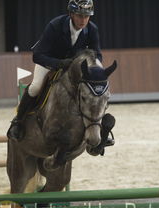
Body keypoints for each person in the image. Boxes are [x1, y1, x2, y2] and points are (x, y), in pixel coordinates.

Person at [7, 0, 109, 145]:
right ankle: (18, 121)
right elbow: (37, 56)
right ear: (71, 14)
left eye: (87, 16)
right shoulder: (55, 25)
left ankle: (101, 130)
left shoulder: (92, 29)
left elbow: (97, 54)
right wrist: (59, 64)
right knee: (35, 87)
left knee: (94, 91)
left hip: (74, 69)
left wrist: (97, 71)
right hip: (49, 63)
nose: (83, 20)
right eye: (80, 16)